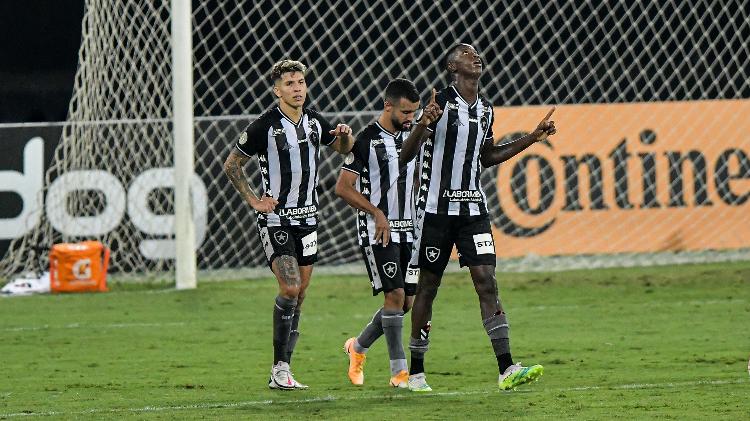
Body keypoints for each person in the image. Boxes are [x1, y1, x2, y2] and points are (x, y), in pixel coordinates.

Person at [399, 43, 557, 392]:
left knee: (487, 281)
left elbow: (486, 156)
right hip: (436, 211)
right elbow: (405, 156)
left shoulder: (485, 109)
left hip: (473, 211)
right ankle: (416, 372)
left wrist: (532, 138)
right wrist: (423, 124)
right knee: (428, 288)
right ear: (452, 66)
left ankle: (506, 368)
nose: (476, 57)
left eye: (477, 54)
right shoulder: (438, 104)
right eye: (467, 54)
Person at [223, 59, 354, 390]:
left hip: (309, 219)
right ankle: (279, 368)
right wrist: (254, 200)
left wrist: (344, 137)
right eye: (290, 84)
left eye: (301, 82)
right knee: (290, 287)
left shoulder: (313, 122)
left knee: (301, 294)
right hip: (276, 219)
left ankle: (282, 369)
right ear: (276, 90)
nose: (297, 89)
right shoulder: (263, 126)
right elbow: (232, 164)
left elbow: (342, 150)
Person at [334, 78, 427, 388]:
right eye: (405, 112)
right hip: (378, 232)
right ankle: (400, 372)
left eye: (414, 112)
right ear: (388, 106)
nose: (410, 118)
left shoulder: (412, 136)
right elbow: (343, 188)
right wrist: (376, 212)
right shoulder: (366, 141)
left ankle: (357, 348)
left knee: (405, 304)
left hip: (410, 231)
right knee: (395, 295)